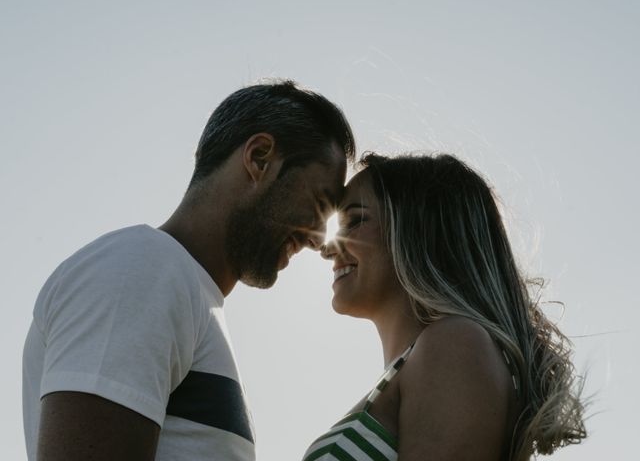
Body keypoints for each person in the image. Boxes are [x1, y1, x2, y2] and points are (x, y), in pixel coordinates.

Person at [22, 79, 356, 461]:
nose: (318, 241)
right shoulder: (140, 269)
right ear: (260, 157)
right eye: (319, 202)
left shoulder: (185, 292)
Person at [305, 153, 586, 461]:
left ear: (420, 231)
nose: (327, 248)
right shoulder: (431, 357)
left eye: (355, 220)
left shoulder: (456, 343)